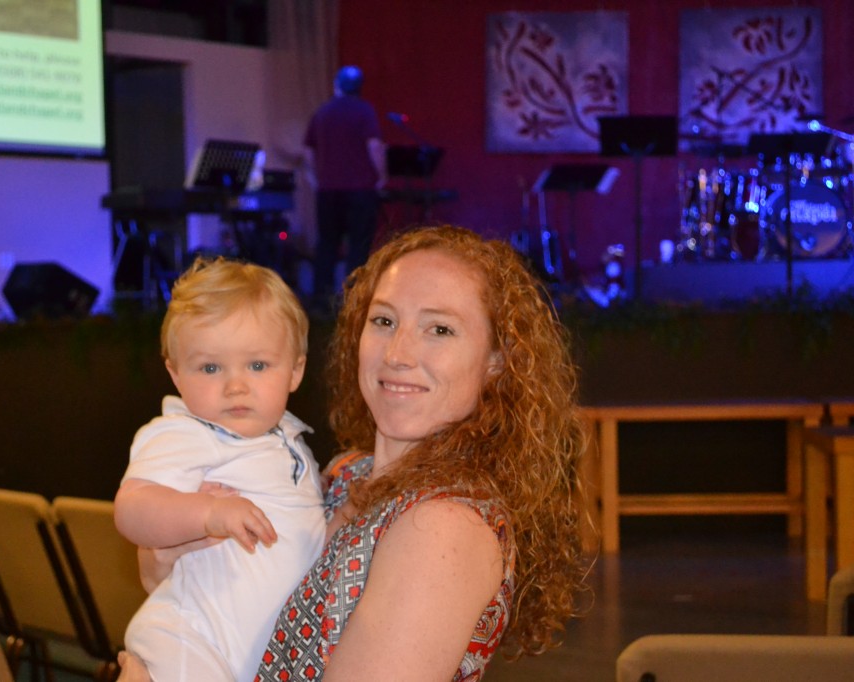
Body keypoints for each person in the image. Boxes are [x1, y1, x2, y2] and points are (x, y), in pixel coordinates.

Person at [126, 225, 586, 681]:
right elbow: (179, 576)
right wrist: (171, 550)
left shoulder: (445, 523)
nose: (398, 353)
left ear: (495, 362)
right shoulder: (344, 472)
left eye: (440, 329)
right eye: (384, 321)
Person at [113, 257, 327, 681]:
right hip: (191, 642)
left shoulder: (289, 441)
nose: (235, 385)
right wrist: (207, 514)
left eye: (258, 365)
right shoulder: (188, 432)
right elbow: (132, 508)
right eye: (210, 368)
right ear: (175, 373)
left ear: (296, 370)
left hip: (246, 659)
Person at [303, 64, 388, 313]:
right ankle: (353, 301)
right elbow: (374, 146)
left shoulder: (322, 112)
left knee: (327, 245)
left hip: (328, 191)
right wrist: (381, 176)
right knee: (358, 247)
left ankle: (322, 300)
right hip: (360, 190)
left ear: (336, 85)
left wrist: (315, 178)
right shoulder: (365, 111)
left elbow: (308, 151)